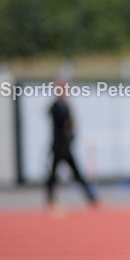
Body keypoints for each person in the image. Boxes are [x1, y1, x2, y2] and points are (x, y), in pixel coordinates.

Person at [46, 80, 98, 212]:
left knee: (77, 174)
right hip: (59, 147)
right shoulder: (55, 107)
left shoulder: (66, 106)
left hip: (66, 146)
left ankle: (91, 198)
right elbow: (63, 123)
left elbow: (71, 125)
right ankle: (50, 199)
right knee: (53, 175)